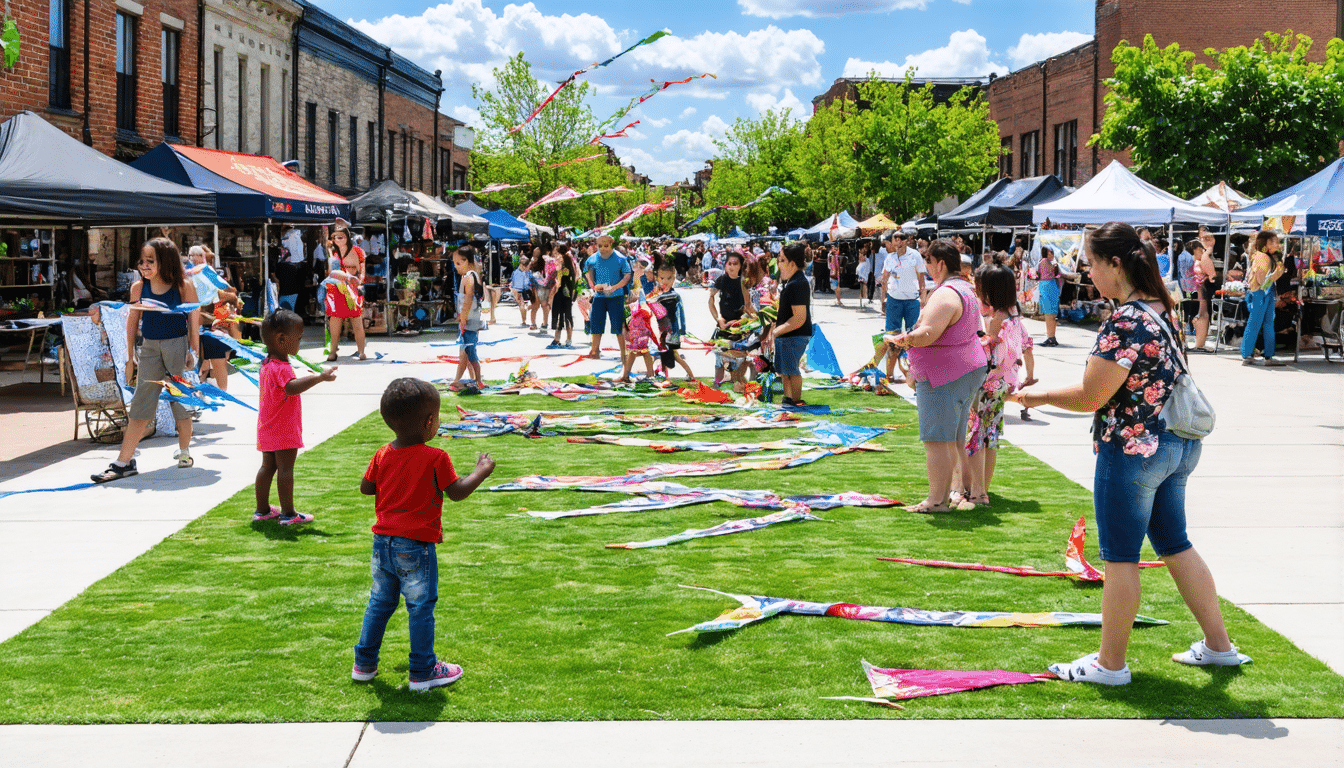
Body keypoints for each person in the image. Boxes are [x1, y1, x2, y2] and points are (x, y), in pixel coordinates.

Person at [1010, 222, 1250, 685]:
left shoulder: (1124, 321)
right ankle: (1219, 647)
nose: (1085, 269)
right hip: (1177, 445)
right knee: (1175, 543)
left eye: (1090, 261)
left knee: (1120, 557)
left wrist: (1036, 397)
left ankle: (1110, 665)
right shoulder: (1164, 309)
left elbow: (1090, 396)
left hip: (1134, 451)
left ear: (1114, 264)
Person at [353, 378, 496, 690]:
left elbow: (367, 488)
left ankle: (364, 664)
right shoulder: (436, 457)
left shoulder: (382, 454)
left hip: (382, 545)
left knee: (379, 602)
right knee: (420, 607)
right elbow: (456, 492)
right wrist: (480, 472)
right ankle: (422, 671)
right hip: (416, 547)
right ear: (430, 421)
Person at [888, 240, 988, 513]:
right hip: (963, 370)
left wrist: (902, 339)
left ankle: (936, 500)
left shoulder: (946, 293)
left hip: (944, 376)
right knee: (951, 439)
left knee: (936, 441)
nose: (928, 269)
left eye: (929, 263)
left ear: (941, 263)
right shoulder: (964, 289)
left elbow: (928, 333)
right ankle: (945, 495)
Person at [91, 238, 201, 483]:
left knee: (180, 402)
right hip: (149, 347)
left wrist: (193, 351)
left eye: (150, 260)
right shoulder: (139, 288)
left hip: (177, 345)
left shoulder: (183, 285)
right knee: (141, 402)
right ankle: (124, 462)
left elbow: (194, 319)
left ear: (165, 261)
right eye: (141, 261)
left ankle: (184, 451)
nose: (144, 265)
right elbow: (132, 320)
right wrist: (129, 356)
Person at [251, 309, 337, 525]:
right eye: (298, 338)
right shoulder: (282, 367)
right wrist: (319, 378)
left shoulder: (266, 364)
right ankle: (288, 514)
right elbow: (291, 388)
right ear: (281, 340)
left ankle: (262, 510)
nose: (300, 343)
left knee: (267, 467)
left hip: (267, 427)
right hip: (283, 428)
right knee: (286, 469)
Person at [958, 262, 1028, 506]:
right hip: (1000, 386)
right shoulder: (1013, 313)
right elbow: (1026, 344)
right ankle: (983, 488)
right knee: (990, 438)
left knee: (977, 437)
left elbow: (989, 354)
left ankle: (977, 492)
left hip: (987, 385)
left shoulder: (995, 319)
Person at [879, 230, 926, 387]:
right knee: (891, 339)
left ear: (908, 240)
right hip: (894, 300)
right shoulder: (889, 258)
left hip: (912, 301)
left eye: (901, 238)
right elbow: (884, 280)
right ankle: (889, 376)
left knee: (913, 338)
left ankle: (915, 375)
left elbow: (921, 280)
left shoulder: (915, 256)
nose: (898, 240)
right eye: (895, 238)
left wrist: (923, 300)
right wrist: (883, 300)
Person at [770, 242, 813, 407]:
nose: (778, 264)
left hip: (794, 335)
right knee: (785, 371)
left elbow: (799, 318)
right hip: (787, 335)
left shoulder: (798, 283)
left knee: (791, 371)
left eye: (781, 260)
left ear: (792, 263)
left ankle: (796, 401)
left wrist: (777, 331)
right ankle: (788, 400)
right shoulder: (792, 282)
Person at [583, 235, 633, 361]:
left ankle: (624, 352)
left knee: (618, 325)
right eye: (600, 246)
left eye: (606, 246)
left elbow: (627, 275)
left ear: (612, 244)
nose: (603, 249)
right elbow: (587, 271)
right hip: (599, 296)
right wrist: (592, 285)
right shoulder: (593, 258)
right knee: (596, 323)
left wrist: (616, 287)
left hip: (616, 296)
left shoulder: (620, 258)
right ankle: (595, 350)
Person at [708, 251, 754, 387]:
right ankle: (716, 388)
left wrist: (741, 322)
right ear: (725, 265)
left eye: (735, 263)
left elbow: (749, 307)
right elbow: (711, 300)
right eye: (729, 263)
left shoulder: (744, 282)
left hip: (741, 329)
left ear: (741, 266)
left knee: (737, 367)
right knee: (719, 361)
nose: (732, 266)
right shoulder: (721, 280)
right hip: (723, 328)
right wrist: (718, 319)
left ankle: (741, 383)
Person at [1241, 230, 1287, 367]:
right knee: (1257, 323)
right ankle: (1249, 354)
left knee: (1267, 323)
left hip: (1265, 292)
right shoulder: (1262, 257)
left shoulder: (1266, 256)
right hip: (1260, 293)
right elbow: (1264, 280)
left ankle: (1267, 355)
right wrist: (1279, 269)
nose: (1277, 244)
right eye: (1273, 241)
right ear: (1264, 244)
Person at [323, 224, 368, 361]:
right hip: (336, 291)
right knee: (335, 323)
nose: (337, 239)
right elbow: (332, 273)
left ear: (347, 237)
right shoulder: (333, 253)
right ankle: (333, 351)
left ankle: (361, 351)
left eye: (340, 237)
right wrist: (347, 276)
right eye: (334, 237)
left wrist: (359, 282)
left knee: (357, 324)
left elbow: (362, 271)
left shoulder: (358, 252)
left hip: (353, 291)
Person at [448, 246, 486, 392]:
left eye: (459, 263)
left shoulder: (468, 277)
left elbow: (468, 299)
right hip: (470, 320)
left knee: (465, 354)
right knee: (468, 353)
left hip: (469, 321)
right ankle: (474, 379)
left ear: (468, 261)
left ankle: (460, 381)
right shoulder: (473, 275)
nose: (456, 267)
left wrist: (462, 319)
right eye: (455, 263)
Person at [651, 263, 693, 380]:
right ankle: (665, 377)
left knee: (675, 355)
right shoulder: (657, 295)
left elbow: (681, 314)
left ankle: (691, 375)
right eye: (662, 278)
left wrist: (682, 330)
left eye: (669, 278)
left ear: (674, 278)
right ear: (657, 278)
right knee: (664, 354)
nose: (665, 281)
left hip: (672, 331)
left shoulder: (675, 296)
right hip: (661, 331)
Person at [547, 243, 579, 350]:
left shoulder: (563, 263)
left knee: (561, 316)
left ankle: (558, 340)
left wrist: (551, 296)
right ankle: (567, 340)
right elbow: (576, 276)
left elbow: (559, 282)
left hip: (562, 292)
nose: (556, 257)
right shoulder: (570, 262)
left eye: (556, 253)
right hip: (567, 292)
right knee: (566, 316)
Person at [1037, 246, 1062, 346]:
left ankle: (1051, 337)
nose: (1051, 255)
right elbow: (1057, 273)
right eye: (1050, 253)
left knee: (1049, 314)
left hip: (1047, 286)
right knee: (1050, 314)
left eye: (1052, 253)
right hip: (1049, 286)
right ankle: (1051, 336)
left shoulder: (1045, 262)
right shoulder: (1047, 262)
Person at [509, 252, 538, 328]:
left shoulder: (527, 272)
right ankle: (524, 321)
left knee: (525, 306)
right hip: (520, 291)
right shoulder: (517, 273)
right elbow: (515, 285)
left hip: (526, 290)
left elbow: (532, 280)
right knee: (522, 305)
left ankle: (524, 321)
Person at [855, 243, 872, 309]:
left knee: (864, 285)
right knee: (862, 285)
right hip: (862, 271)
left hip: (864, 272)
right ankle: (863, 299)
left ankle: (865, 299)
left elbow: (862, 259)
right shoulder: (863, 255)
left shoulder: (866, 256)